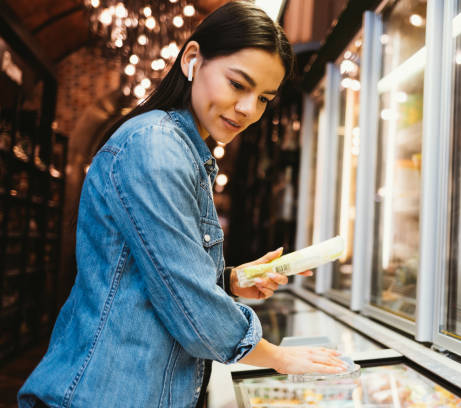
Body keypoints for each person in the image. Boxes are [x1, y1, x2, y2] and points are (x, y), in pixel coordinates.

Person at [18, 2, 345, 407]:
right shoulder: (155, 146)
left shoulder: (187, 152)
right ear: (193, 60)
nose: (248, 110)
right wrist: (277, 356)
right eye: (238, 84)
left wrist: (229, 281)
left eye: (264, 98)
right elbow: (190, 305)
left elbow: (150, 276)